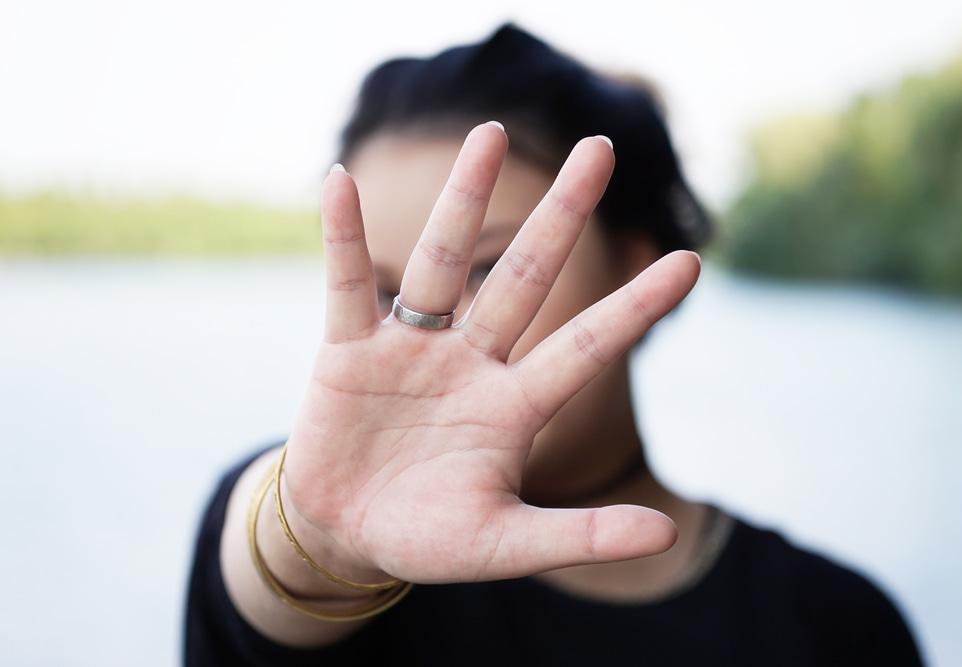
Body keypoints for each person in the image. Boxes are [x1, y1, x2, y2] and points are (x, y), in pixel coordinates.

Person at [184, 25, 923, 665]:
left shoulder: (834, 623)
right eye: (385, 292)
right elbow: (266, 582)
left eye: (487, 267)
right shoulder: (333, 541)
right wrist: (315, 535)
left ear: (636, 266)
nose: (426, 331)